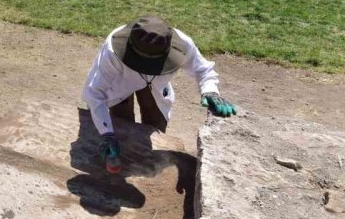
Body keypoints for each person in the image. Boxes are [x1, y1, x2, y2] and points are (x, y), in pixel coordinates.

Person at [82, 15, 238, 174]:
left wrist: (210, 90)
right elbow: (95, 92)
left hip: (157, 85)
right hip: (119, 83)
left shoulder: (183, 44)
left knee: (156, 126)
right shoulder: (111, 51)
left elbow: (203, 70)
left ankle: (144, 160)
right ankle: (122, 156)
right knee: (121, 124)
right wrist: (106, 133)